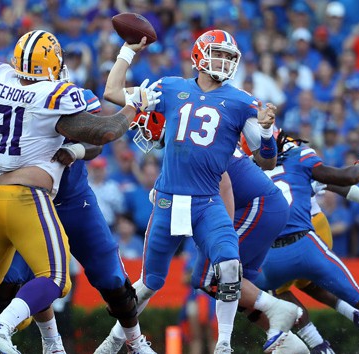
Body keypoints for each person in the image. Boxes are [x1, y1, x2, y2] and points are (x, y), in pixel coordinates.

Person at [0, 29, 158, 354]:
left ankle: (132, 341)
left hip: (51, 197)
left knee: (110, 280)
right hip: (31, 198)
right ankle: (7, 336)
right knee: (38, 281)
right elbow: (104, 132)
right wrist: (134, 107)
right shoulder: (56, 96)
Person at [97, 29, 279, 354]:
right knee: (150, 282)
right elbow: (112, 92)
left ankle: (224, 344)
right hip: (168, 200)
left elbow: (268, 159)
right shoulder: (171, 87)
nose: (223, 61)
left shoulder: (241, 101)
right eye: (218, 54)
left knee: (229, 266)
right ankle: (118, 340)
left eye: (229, 57)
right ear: (199, 55)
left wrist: (265, 132)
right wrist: (127, 51)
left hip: (207, 202)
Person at [255, 130, 359, 354]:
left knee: (278, 291)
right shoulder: (295, 156)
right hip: (309, 233)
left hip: (279, 244)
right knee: (319, 281)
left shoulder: (246, 170)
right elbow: (335, 181)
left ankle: (319, 345)